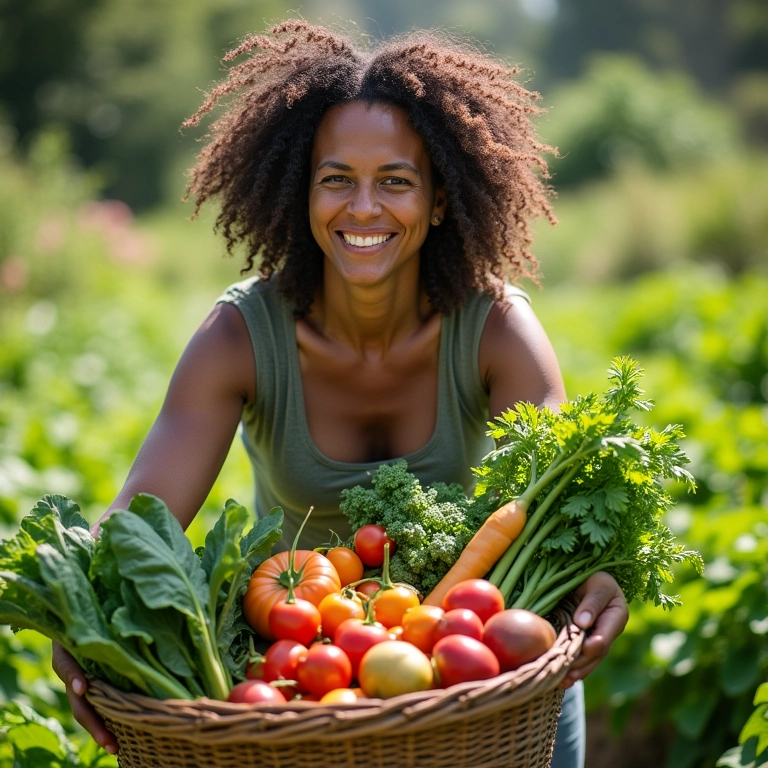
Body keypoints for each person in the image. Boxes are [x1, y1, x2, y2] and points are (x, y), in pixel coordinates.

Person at [52, 20, 629, 766]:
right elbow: (138, 515)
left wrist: (600, 572)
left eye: (395, 180)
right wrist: (82, 604)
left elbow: (556, 498)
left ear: (441, 199)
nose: (363, 209)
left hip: (486, 678)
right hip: (316, 693)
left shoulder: (495, 329)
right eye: (336, 180)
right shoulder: (239, 339)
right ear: (302, 192)